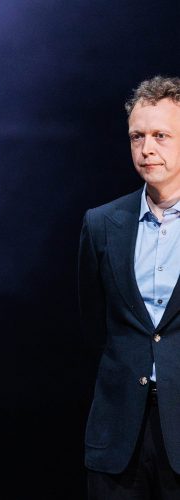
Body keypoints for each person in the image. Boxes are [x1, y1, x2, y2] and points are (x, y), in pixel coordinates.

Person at [79, 75, 180, 499]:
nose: (146, 148)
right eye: (137, 136)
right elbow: (92, 326)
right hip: (119, 436)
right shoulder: (102, 223)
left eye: (160, 135)